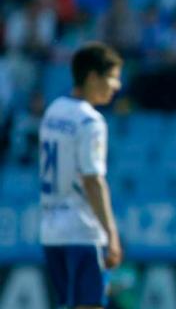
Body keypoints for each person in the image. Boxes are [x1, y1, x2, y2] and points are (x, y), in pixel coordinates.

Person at [39, 42, 123, 308]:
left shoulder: (53, 112)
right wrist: (111, 233)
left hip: (51, 229)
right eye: (112, 78)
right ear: (92, 77)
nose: (116, 86)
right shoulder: (90, 121)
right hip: (82, 230)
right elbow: (92, 179)